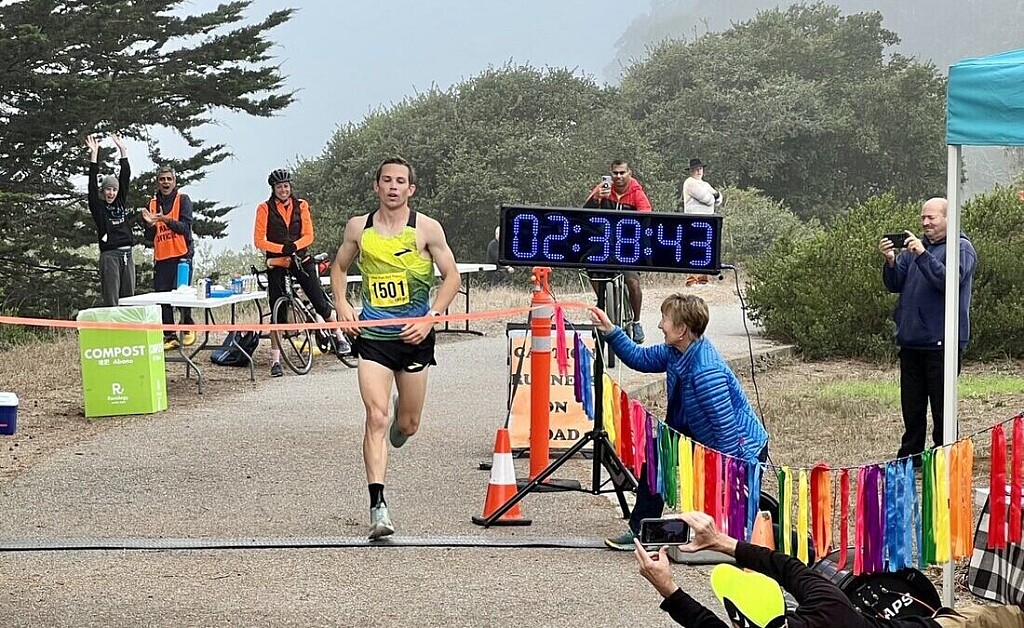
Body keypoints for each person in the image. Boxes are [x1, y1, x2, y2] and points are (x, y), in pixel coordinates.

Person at [330, 156, 461, 540]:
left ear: (410, 189)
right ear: (377, 186)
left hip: (414, 338)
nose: (392, 187)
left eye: (400, 181)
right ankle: (378, 507)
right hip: (374, 338)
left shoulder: (426, 228)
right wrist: (342, 304)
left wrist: (430, 318)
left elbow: (452, 277)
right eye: (386, 180)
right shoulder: (359, 228)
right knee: (376, 416)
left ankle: (400, 424)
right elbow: (339, 268)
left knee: (407, 424)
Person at [590, 293, 768, 550]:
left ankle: (763, 543)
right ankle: (642, 530)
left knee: (741, 516)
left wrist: (727, 473)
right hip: (693, 432)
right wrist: (610, 330)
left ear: (682, 329)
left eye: (664, 319)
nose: (659, 325)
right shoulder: (675, 351)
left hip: (740, 447)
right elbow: (639, 358)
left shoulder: (706, 372)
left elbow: (726, 432)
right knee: (657, 454)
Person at [634, 511, 1024, 627]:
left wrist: (668, 588)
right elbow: (786, 567)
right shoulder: (831, 610)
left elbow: (706, 625)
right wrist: (723, 542)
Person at [881, 197, 977, 467]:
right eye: (923, 217)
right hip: (911, 342)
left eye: (931, 218)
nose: (925, 223)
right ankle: (910, 458)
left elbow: (949, 282)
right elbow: (895, 284)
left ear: (948, 218)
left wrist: (923, 255)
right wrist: (891, 261)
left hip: (943, 343)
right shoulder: (912, 250)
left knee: (942, 408)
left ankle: (945, 458)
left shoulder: (962, 248)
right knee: (912, 408)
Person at [254, 168, 351, 378]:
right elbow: (259, 240)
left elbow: (309, 235)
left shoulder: (301, 205)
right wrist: (281, 249)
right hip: (278, 262)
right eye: (279, 187)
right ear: (273, 189)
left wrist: (295, 246)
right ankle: (276, 361)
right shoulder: (264, 209)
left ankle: (340, 337)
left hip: (300, 258)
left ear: (290, 187)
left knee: (319, 302)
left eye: (286, 186)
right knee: (277, 312)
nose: (283, 190)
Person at [584, 159, 652, 343]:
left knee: (632, 281)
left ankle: (636, 321)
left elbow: (647, 215)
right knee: (591, 268)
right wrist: (596, 198)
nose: (619, 176)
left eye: (622, 173)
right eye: (615, 173)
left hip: (628, 246)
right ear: (611, 174)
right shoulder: (603, 188)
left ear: (629, 173)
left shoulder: (637, 192)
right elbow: (584, 214)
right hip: (605, 244)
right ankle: (603, 303)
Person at [142, 166, 196, 350]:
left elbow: (185, 228)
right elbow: (149, 237)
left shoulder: (183, 199)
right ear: (158, 182)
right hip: (162, 257)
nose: (165, 182)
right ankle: (169, 335)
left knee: (182, 296)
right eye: (162, 179)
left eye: (169, 179)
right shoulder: (151, 204)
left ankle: (187, 327)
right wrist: (150, 225)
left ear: (174, 181)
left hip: (182, 256)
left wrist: (165, 219)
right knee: (162, 299)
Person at [86, 134, 136, 307]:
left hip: (127, 254)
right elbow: (92, 187)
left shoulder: (120, 201)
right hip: (110, 255)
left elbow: (125, 176)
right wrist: (94, 156)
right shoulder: (99, 208)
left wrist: (123, 151)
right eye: (108, 189)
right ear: (103, 191)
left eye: (114, 189)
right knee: (112, 300)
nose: (111, 193)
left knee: (129, 301)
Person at [681, 157, 722, 287]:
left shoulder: (705, 184)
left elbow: (719, 199)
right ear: (691, 171)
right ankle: (692, 279)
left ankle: (703, 279)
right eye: (696, 169)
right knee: (694, 249)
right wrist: (713, 195)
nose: (699, 171)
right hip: (694, 219)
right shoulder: (690, 182)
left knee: (704, 250)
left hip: (707, 220)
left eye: (700, 169)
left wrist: (714, 195)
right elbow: (707, 199)